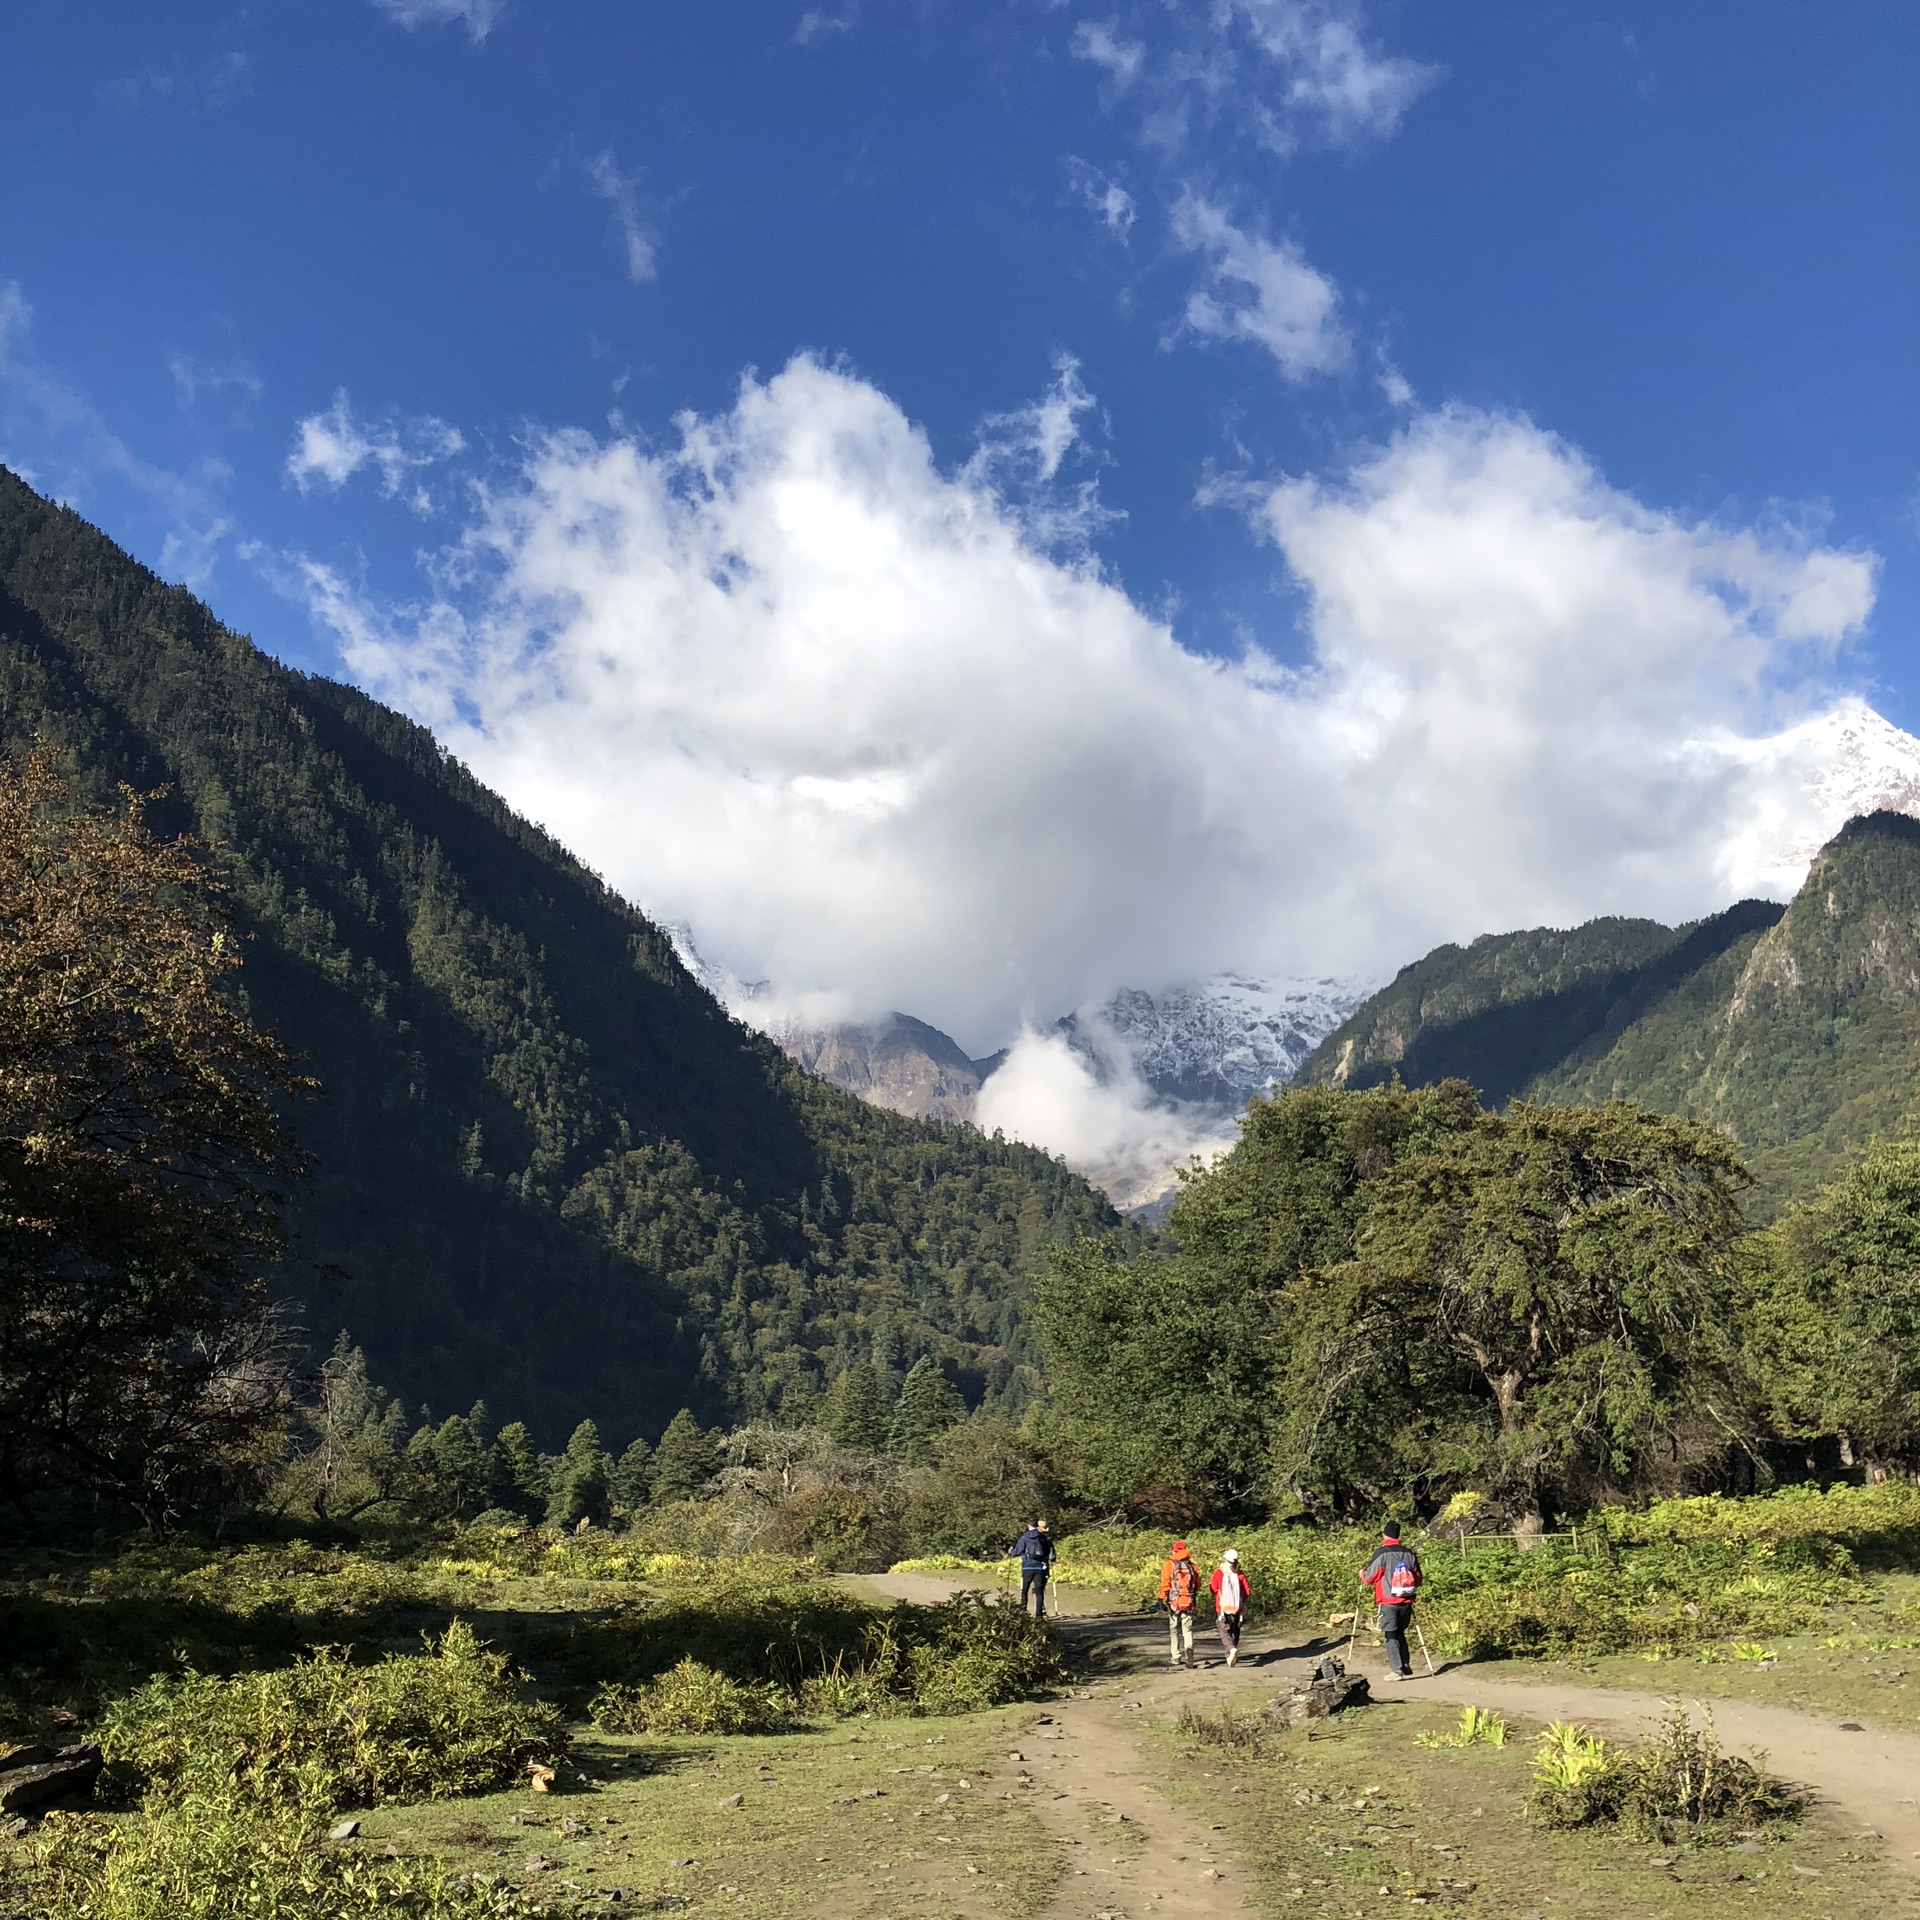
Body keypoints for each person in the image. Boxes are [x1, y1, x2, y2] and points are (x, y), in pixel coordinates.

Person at [1359, 1520, 1423, 1679]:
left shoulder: (1381, 1553)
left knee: (1390, 1634)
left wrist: (1361, 1574)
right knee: (1400, 1632)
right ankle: (1405, 1665)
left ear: (1384, 1534)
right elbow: (1418, 1579)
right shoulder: (1409, 1553)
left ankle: (1396, 1671)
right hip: (1406, 1600)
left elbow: (1368, 1578)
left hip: (1388, 1601)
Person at [1157, 1539, 1203, 1668]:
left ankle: (1176, 1656)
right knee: (1187, 1629)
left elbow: (1165, 1583)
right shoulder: (1192, 1566)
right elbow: (1197, 1585)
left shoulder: (1169, 1564)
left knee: (1174, 1629)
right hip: (1188, 1601)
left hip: (1174, 1601)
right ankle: (1189, 1652)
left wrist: (1160, 1598)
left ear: (1174, 1550)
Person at [1209, 1547, 1252, 1667]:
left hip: (1222, 1608)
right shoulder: (1239, 1574)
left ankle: (1231, 1650)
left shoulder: (1219, 1572)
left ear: (1225, 1559)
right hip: (1237, 1608)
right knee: (1235, 1631)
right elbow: (1247, 1591)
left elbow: (1213, 1588)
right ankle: (1229, 1655)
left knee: (1224, 1630)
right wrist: (1240, 1601)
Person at [1007, 1516, 1055, 1617]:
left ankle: (1023, 1612)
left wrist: (1011, 1551)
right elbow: (1047, 1552)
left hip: (1027, 1566)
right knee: (1039, 1591)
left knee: (1025, 1590)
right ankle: (1039, 1614)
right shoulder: (1043, 1537)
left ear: (1028, 1525)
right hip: (1040, 1567)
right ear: (1037, 1525)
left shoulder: (1024, 1537)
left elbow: (1017, 1552)